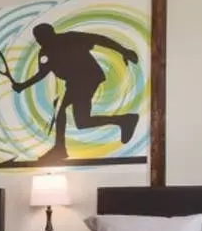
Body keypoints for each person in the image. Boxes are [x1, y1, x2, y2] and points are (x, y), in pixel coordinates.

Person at [8, 22, 140, 163]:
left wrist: (123, 50)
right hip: (75, 82)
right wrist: (22, 85)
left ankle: (60, 148)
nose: (39, 41)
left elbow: (99, 39)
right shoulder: (45, 52)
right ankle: (124, 120)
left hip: (87, 77)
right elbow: (42, 73)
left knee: (64, 112)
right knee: (82, 122)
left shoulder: (70, 38)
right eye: (37, 38)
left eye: (41, 37)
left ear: (51, 33)